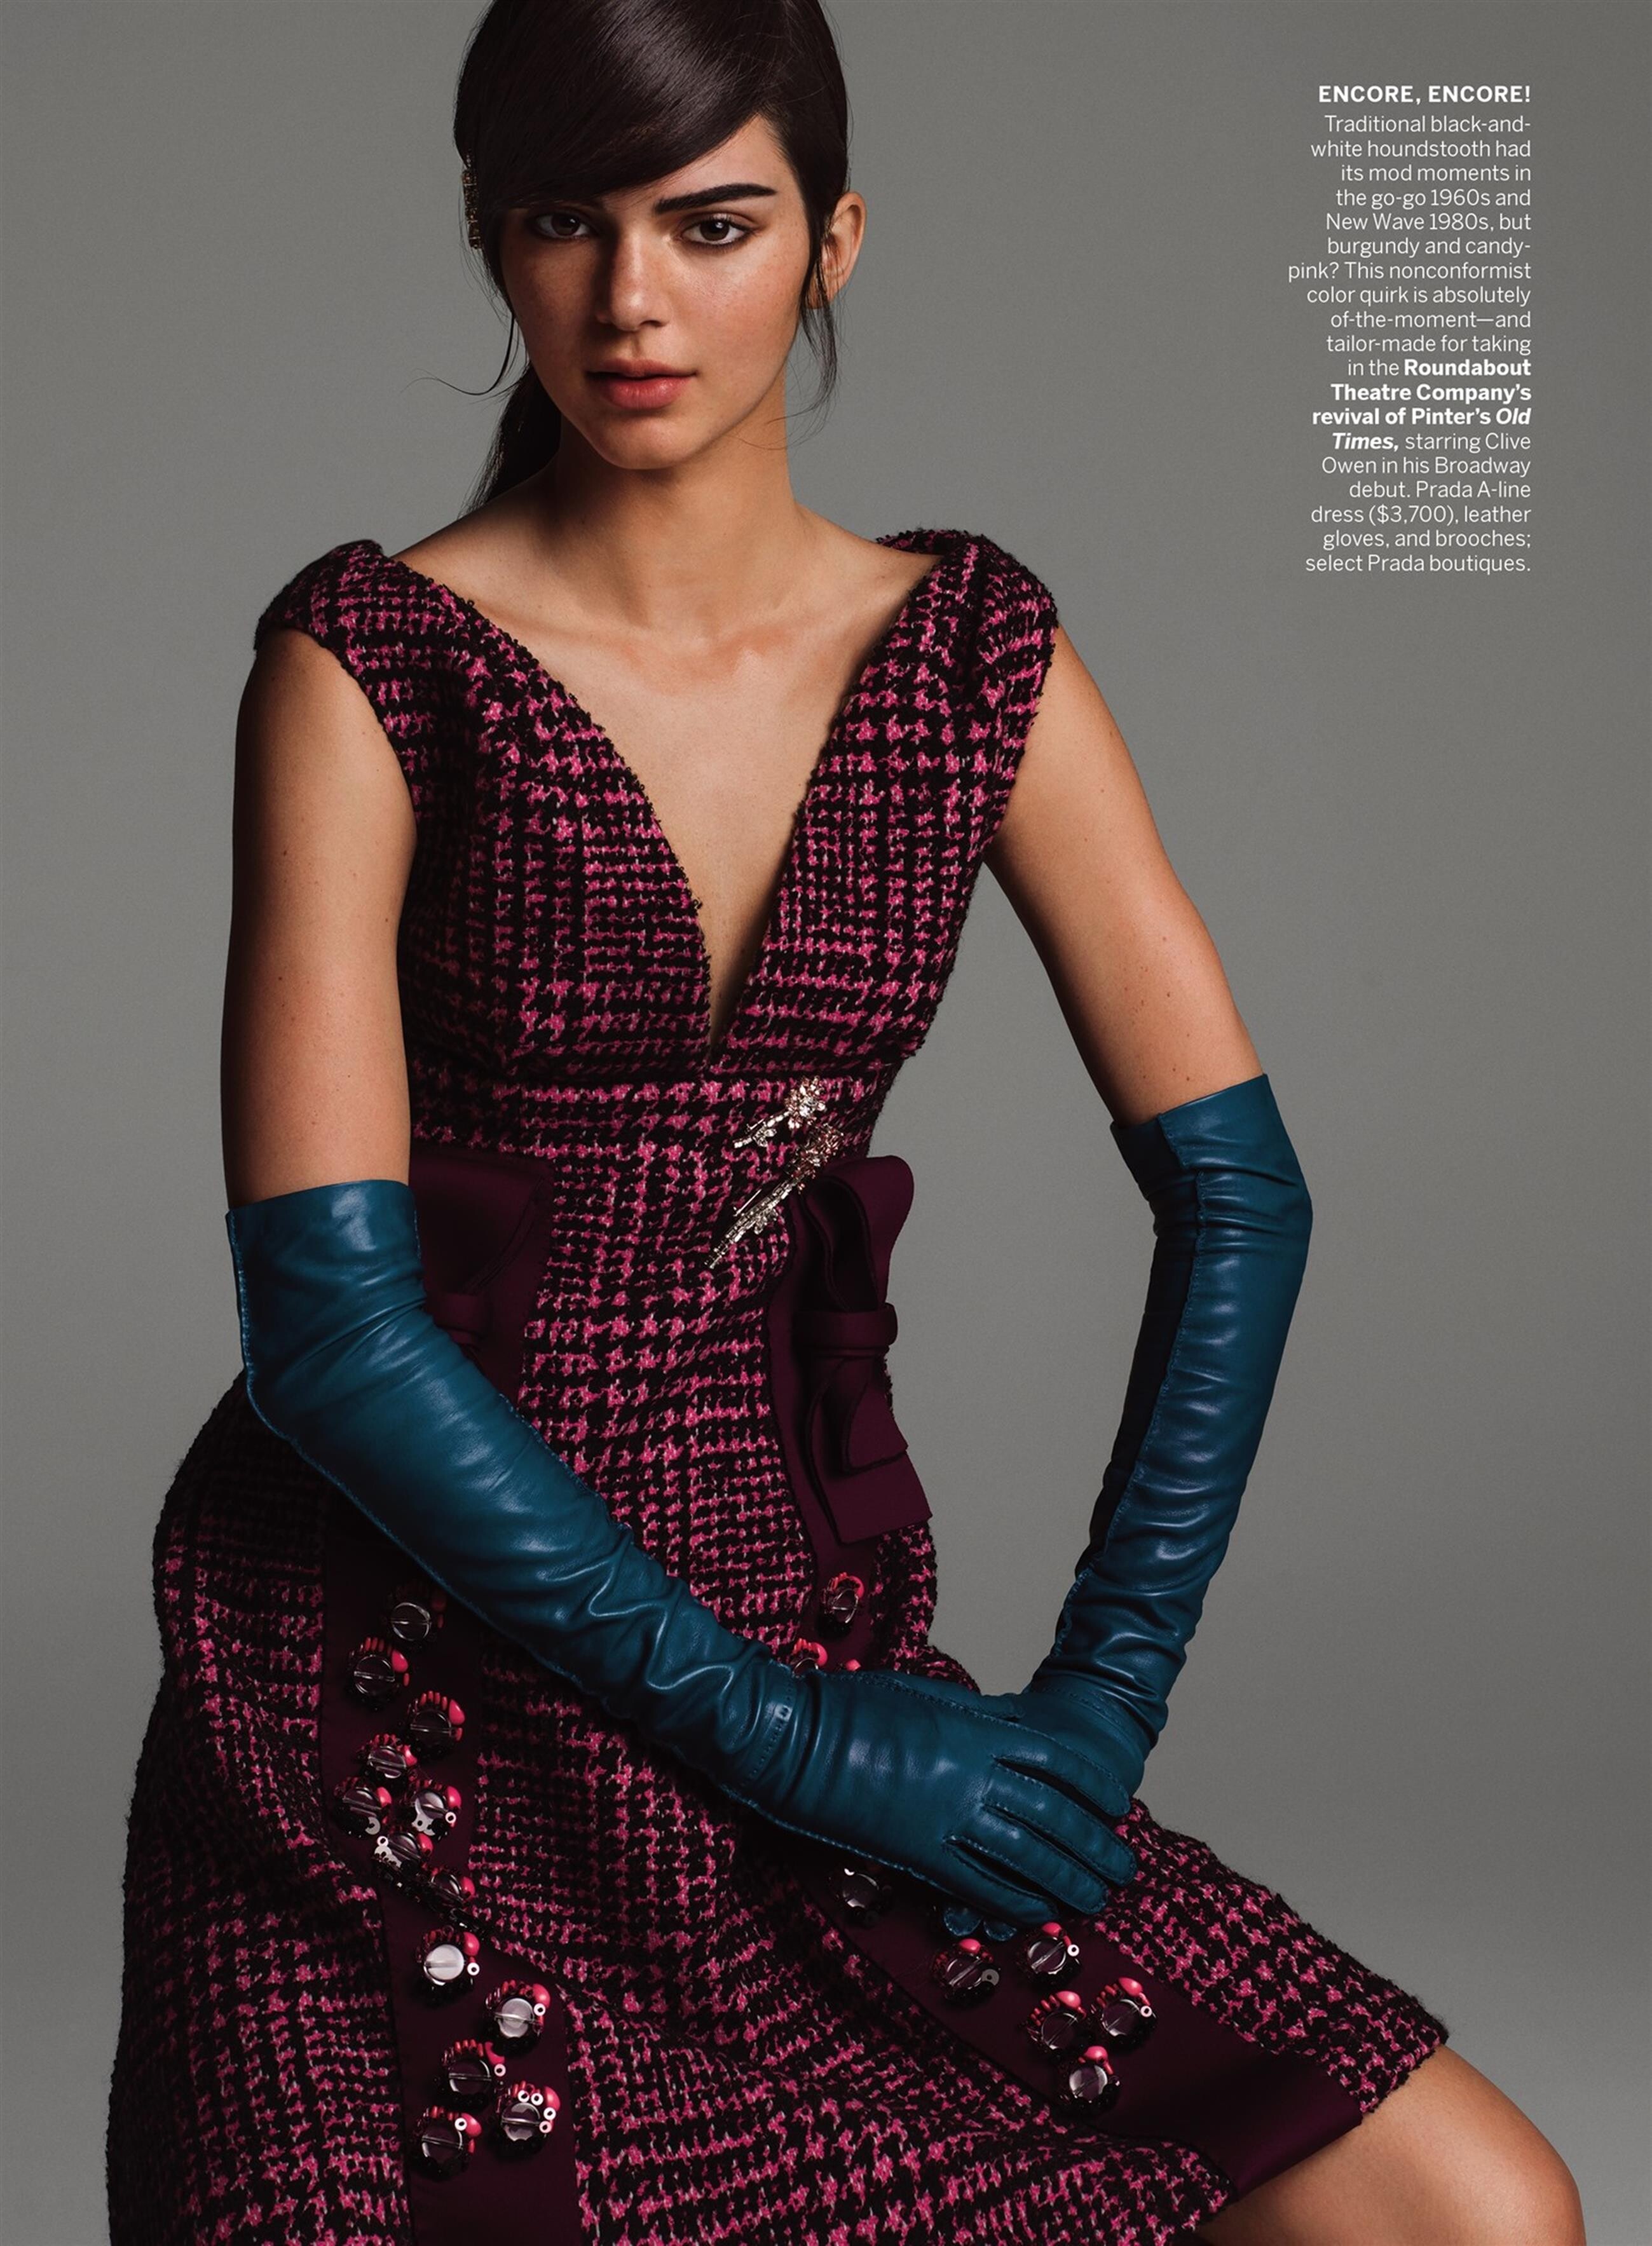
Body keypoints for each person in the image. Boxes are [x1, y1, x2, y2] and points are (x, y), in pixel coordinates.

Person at [106, 2, 1585, 2240]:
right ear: (493, 247)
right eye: (566, 224)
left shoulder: (976, 654)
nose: (633, 298)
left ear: (836, 240)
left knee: (1478, 2209)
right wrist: (782, 1740)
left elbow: (1240, 1193)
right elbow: (331, 1334)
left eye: (712, 225)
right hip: (392, 1694)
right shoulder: (369, 664)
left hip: (804, 1624)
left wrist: (1098, 1709)